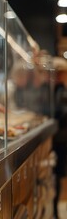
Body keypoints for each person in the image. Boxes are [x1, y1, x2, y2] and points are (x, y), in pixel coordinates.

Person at [51, 57, 67, 217]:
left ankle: (55, 210)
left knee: (57, 174)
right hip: (58, 138)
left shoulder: (61, 91)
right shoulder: (57, 90)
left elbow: (60, 113)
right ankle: (54, 209)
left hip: (60, 139)